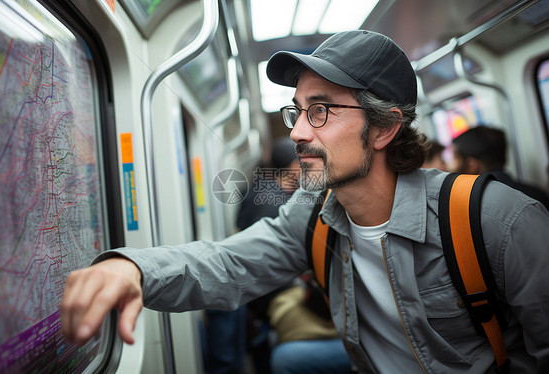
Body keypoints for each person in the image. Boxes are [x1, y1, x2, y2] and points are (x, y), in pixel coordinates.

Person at [60, 30, 549, 373]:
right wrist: (133, 270)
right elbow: (227, 263)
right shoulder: (314, 216)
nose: (295, 131)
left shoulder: (496, 220)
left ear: (383, 127)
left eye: (320, 111)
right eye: (296, 111)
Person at [237, 137, 352, 374]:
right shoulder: (270, 204)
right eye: (306, 163)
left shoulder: (277, 194)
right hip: (269, 297)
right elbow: (267, 258)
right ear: (292, 167)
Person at [452, 125, 549, 209]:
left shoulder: (469, 206)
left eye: (455, 159)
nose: (451, 167)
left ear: (472, 165)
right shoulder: (537, 195)